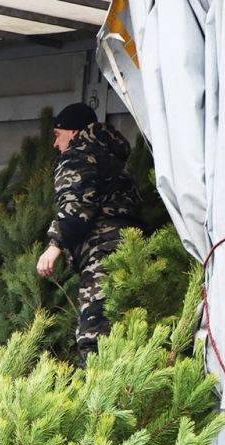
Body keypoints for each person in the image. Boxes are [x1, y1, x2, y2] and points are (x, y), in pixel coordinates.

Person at [36, 102, 143, 359]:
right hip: (132, 252)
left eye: (57, 135)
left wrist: (54, 246)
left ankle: (98, 397)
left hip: (102, 255)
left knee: (95, 340)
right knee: (128, 333)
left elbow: (76, 208)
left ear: (72, 133)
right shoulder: (115, 161)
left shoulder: (76, 156)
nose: (55, 144)